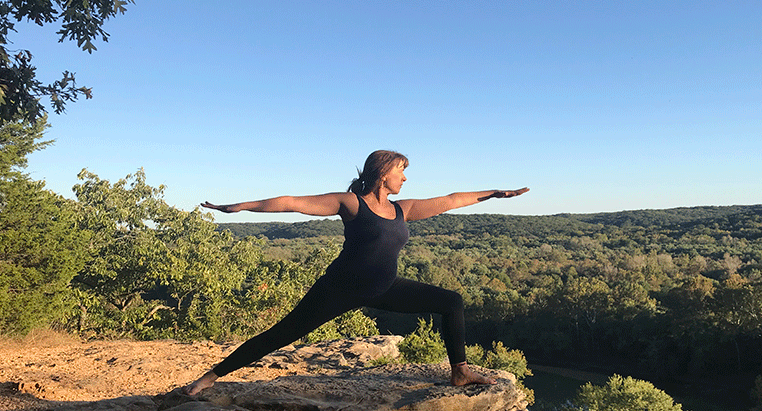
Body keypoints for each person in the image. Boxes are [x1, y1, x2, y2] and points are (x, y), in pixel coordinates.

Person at [184, 150, 528, 396]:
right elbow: (292, 202)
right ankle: (211, 377)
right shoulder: (351, 203)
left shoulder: (402, 209)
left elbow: (452, 200)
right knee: (282, 333)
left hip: (385, 288)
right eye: (401, 171)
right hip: (339, 289)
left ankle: (460, 372)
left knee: (451, 301)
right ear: (383, 173)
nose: (405, 178)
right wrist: (239, 206)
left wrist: (494, 194)